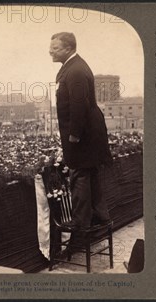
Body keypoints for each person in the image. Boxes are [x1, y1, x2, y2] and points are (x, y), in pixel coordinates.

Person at [49, 32, 113, 229]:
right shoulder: (73, 67)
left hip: (83, 133)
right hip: (88, 131)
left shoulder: (75, 70)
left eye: (55, 48)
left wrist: (74, 135)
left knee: (80, 174)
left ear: (68, 48)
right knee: (89, 173)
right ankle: (100, 216)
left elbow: (79, 105)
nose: (50, 51)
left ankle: (80, 222)